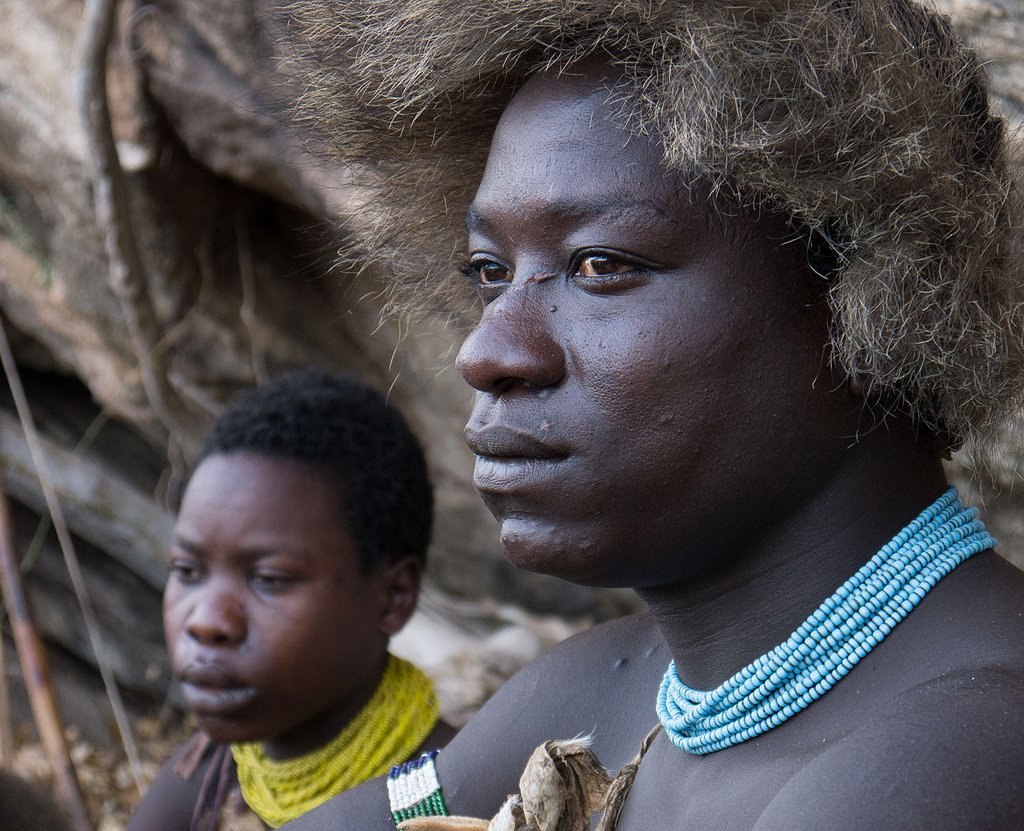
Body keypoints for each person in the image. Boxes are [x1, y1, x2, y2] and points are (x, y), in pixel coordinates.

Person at [280, 1, 1024, 829]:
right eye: (491, 270)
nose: (489, 350)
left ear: (868, 298)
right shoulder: (596, 694)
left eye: (600, 264)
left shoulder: (951, 758)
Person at [128, 369, 453, 830]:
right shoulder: (203, 781)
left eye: (269, 578)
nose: (206, 621)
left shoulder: (456, 796)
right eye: (188, 571)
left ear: (392, 598)